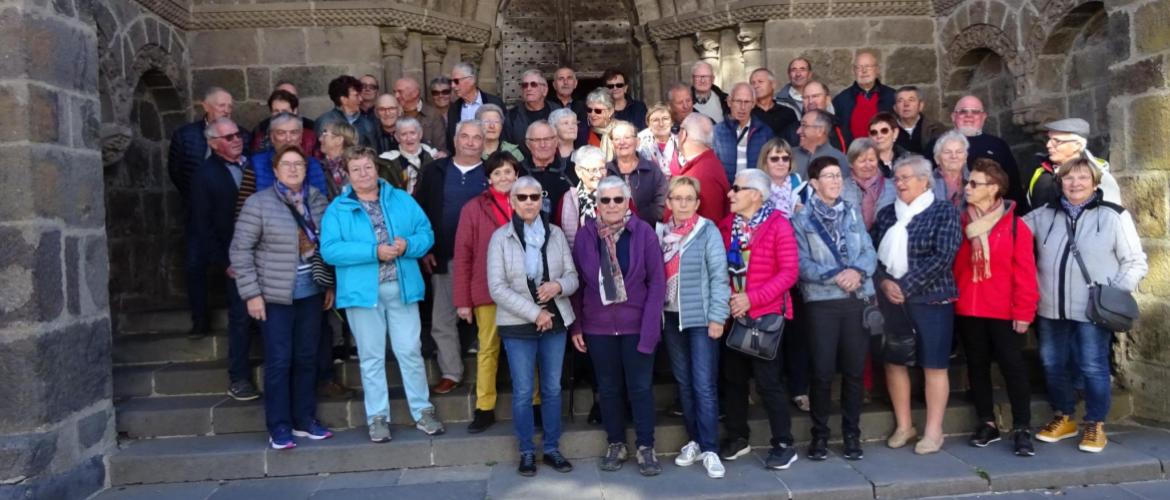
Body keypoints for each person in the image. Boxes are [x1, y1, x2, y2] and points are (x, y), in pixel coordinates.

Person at [319, 146, 445, 443]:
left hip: (402, 288)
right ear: (347, 176)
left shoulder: (400, 199)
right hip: (363, 293)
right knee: (371, 356)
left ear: (376, 169)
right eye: (357, 170)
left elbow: (426, 233)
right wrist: (373, 252)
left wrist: (407, 246)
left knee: (410, 352)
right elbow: (330, 250)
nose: (364, 174)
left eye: (368, 167)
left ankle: (422, 410)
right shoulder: (337, 208)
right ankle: (377, 416)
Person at [1024, 158, 1147, 453]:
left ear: (1094, 183)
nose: (1075, 183)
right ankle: (1064, 416)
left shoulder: (1113, 216)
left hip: (1093, 308)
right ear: (1060, 182)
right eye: (1068, 178)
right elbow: (1010, 232)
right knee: (1053, 364)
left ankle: (1095, 423)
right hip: (1052, 307)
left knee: (1093, 366)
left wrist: (1111, 293)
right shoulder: (1043, 215)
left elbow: (1135, 261)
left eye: (1082, 178)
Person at [230, 144, 334, 450]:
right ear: (275, 170)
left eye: (298, 164)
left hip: (311, 293)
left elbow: (326, 245)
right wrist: (251, 294)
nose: (293, 169)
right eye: (286, 164)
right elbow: (240, 250)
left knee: (306, 357)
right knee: (278, 360)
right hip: (274, 295)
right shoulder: (258, 203)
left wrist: (329, 285)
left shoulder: (316, 200)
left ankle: (304, 419)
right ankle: (279, 426)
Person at [571, 175, 666, 476]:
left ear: (627, 202)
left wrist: (651, 328)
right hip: (598, 327)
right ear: (597, 204)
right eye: (605, 200)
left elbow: (657, 283)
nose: (611, 205)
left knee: (640, 388)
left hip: (636, 325)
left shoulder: (643, 233)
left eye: (617, 199)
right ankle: (616, 443)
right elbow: (578, 285)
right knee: (608, 389)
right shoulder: (586, 236)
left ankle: (645, 446)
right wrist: (577, 327)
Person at [487, 176, 580, 477]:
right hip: (518, 326)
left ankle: (552, 448)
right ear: (512, 202)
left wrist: (557, 286)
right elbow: (497, 288)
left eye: (534, 197)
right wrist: (533, 313)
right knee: (524, 391)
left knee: (552, 389)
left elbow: (573, 277)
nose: (529, 202)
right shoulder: (500, 238)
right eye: (522, 197)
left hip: (555, 323)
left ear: (542, 200)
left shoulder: (555, 234)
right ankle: (527, 452)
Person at [873, 156, 962, 455]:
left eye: (906, 177)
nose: (900, 183)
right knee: (894, 361)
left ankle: (934, 432)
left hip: (932, 298)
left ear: (925, 181)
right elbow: (872, 255)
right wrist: (885, 283)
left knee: (934, 364)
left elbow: (943, 256)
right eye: (897, 178)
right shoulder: (887, 215)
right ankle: (904, 425)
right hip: (892, 300)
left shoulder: (943, 212)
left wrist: (905, 286)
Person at [792, 156, 877, 461]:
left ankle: (852, 434)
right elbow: (801, 264)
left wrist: (857, 273)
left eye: (838, 176)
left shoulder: (852, 214)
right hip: (822, 304)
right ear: (814, 183)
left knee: (854, 371)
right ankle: (820, 436)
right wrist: (836, 276)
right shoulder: (800, 220)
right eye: (828, 176)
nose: (836, 181)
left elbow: (869, 251)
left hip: (855, 300)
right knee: (823, 371)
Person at [954, 159, 1039, 456]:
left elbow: (1026, 273)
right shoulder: (960, 221)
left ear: (994, 189)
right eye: (968, 182)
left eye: (974, 183)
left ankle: (1022, 427)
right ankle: (986, 422)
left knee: (1013, 367)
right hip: (969, 307)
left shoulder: (1016, 226)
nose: (967, 187)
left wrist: (1024, 312)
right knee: (976, 367)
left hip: (1003, 310)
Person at [717, 168, 800, 470]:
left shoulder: (778, 225)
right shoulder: (727, 226)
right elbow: (720, 269)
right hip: (734, 315)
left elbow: (789, 273)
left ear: (756, 194)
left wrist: (751, 298)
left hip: (765, 316)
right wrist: (731, 298)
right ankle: (738, 437)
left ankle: (783, 443)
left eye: (736, 189)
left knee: (768, 383)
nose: (730, 194)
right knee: (734, 380)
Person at [656, 176, 730, 479]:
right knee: (684, 383)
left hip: (701, 319)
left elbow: (719, 276)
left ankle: (711, 447)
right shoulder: (661, 233)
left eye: (689, 198)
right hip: (671, 318)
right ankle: (695, 441)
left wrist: (717, 317)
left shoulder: (707, 231)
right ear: (669, 202)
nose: (683, 203)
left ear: (697, 203)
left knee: (704, 384)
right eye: (678, 198)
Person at [454, 153, 529, 434]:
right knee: (488, 350)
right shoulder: (473, 208)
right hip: (487, 291)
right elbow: (462, 255)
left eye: (508, 172)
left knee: (526, 348)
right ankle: (484, 408)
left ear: (517, 175)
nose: (503, 178)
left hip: (524, 294)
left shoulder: (528, 202)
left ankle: (534, 403)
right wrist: (463, 301)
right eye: (497, 173)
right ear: (488, 178)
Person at [413, 120, 488, 394]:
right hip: (445, 255)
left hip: (486, 260)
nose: (470, 142)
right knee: (443, 319)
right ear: (455, 140)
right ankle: (451, 372)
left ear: (484, 141)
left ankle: (490, 374)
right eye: (465, 136)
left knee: (489, 320)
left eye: (476, 137)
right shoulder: (435, 171)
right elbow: (419, 214)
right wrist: (426, 250)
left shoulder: (493, 171)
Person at [170, 87, 249, 337]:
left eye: (229, 105)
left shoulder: (241, 135)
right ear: (205, 106)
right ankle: (200, 320)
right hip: (199, 211)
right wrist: (199, 193)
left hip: (232, 214)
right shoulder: (185, 136)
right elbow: (176, 170)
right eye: (221, 105)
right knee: (196, 263)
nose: (226, 109)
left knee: (236, 268)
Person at [191, 117, 258, 401]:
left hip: (265, 253)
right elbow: (202, 224)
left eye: (238, 134)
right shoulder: (205, 175)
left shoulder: (254, 165)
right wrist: (223, 262)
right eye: (229, 137)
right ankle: (239, 377)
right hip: (235, 257)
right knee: (241, 317)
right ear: (213, 144)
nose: (237, 139)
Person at [939, 95, 1024, 207]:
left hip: (991, 214)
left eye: (975, 112)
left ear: (983, 117)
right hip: (947, 212)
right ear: (953, 116)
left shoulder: (998, 145)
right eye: (963, 111)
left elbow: (1013, 185)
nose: (969, 116)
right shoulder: (938, 145)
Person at [1027, 118, 1121, 210]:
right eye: (1049, 139)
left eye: (1057, 141)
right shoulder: (1041, 171)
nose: (1048, 145)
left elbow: (1112, 217)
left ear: (1077, 145)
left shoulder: (1099, 176)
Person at [713, 83, 775, 184]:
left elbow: (770, 167)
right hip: (726, 193)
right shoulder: (717, 132)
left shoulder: (765, 132)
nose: (742, 107)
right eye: (738, 101)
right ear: (729, 102)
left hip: (754, 193)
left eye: (747, 102)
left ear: (753, 104)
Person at [607, 121, 667, 225]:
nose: (622, 142)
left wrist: (635, 222)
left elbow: (661, 203)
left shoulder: (652, 170)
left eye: (627, 137)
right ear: (612, 144)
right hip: (611, 231)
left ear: (638, 141)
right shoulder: (605, 170)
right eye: (617, 139)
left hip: (646, 231)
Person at [674, 113, 731, 223]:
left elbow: (708, 225)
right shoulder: (707, 164)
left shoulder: (702, 174)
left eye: (678, 130)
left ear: (683, 135)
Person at [832, 51, 896, 144]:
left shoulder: (892, 96)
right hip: (853, 154)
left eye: (868, 66)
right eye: (859, 67)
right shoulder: (841, 100)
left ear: (877, 69)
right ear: (854, 71)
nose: (864, 71)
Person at [446, 62, 506, 150]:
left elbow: (505, 133)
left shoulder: (494, 102)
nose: (452, 86)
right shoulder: (453, 108)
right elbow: (451, 141)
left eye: (456, 81)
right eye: (450, 82)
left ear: (471, 80)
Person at [376, 117, 444, 194]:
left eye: (412, 133)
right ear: (397, 137)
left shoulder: (434, 157)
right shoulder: (387, 162)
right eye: (403, 134)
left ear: (420, 134)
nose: (409, 138)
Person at [521, 121, 573, 221]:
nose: (543, 145)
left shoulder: (572, 170)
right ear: (528, 144)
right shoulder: (518, 171)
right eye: (536, 140)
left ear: (556, 141)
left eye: (547, 139)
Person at [844, 138, 896, 230]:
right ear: (851, 163)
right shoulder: (841, 188)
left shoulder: (892, 187)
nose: (868, 165)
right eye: (862, 161)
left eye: (871, 160)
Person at [560, 146, 607, 248]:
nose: (599, 175)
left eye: (602, 168)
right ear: (579, 171)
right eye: (593, 170)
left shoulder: (617, 194)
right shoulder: (568, 199)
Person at [506, 69, 559, 156]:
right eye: (525, 85)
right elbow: (507, 147)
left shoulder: (557, 111)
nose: (528, 88)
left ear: (544, 90)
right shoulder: (512, 116)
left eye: (533, 84)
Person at [783, 81, 847, 153]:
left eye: (815, 96)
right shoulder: (792, 131)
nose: (810, 101)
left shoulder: (840, 127)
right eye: (806, 97)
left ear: (827, 100)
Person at [315, 75, 377, 148]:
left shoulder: (367, 124)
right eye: (356, 95)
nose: (361, 99)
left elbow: (372, 152)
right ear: (343, 100)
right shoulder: (325, 122)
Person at [251, 89, 318, 156]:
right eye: (276, 111)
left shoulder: (310, 138)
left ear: (294, 111)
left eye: (284, 111)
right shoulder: (260, 138)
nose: (280, 115)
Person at [394, 77, 448, 152]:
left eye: (400, 92)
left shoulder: (433, 114)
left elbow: (441, 148)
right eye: (395, 92)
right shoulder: (393, 113)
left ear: (415, 93)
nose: (396, 96)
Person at [793, 109, 851, 179]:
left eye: (804, 125)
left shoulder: (838, 158)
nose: (798, 131)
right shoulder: (788, 155)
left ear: (820, 131)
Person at [758, 138, 805, 219]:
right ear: (765, 162)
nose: (781, 163)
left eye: (785, 158)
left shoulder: (797, 180)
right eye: (774, 159)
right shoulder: (757, 185)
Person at [893, 86, 945, 156]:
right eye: (900, 101)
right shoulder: (887, 130)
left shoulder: (936, 128)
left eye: (911, 100)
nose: (906, 104)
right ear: (895, 108)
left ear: (920, 106)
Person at [749, 68, 799, 136]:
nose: (756, 86)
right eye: (753, 83)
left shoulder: (787, 113)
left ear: (773, 84)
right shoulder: (747, 112)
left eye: (760, 81)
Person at [317, 121, 358, 199]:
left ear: (339, 140)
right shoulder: (318, 167)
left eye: (325, 134)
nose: (320, 139)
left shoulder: (358, 166)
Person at [637, 103, 679, 178]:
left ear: (672, 122)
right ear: (648, 124)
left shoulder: (681, 143)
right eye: (655, 120)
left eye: (665, 119)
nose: (661, 124)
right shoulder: (639, 145)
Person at [932, 130, 970, 208]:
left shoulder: (975, 180)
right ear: (937, 158)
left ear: (965, 157)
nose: (953, 156)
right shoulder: (926, 182)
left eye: (959, 152)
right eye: (947, 152)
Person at [869, 112, 909, 177]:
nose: (879, 136)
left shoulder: (909, 159)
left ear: (895, 133)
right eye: (874, 132)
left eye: (884, 131)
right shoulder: (864, 164)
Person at [583, 88, 617, 161]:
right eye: (589, 110)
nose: (592, 114)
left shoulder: (622, 130)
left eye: (598, 111)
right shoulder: (583, 132)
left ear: (610, 111)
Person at [549, 108, 580, 181]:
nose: (572, 127)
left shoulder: (585, 156)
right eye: (565, 123)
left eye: (574, 123)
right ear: (554, 128)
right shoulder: (547, 158)